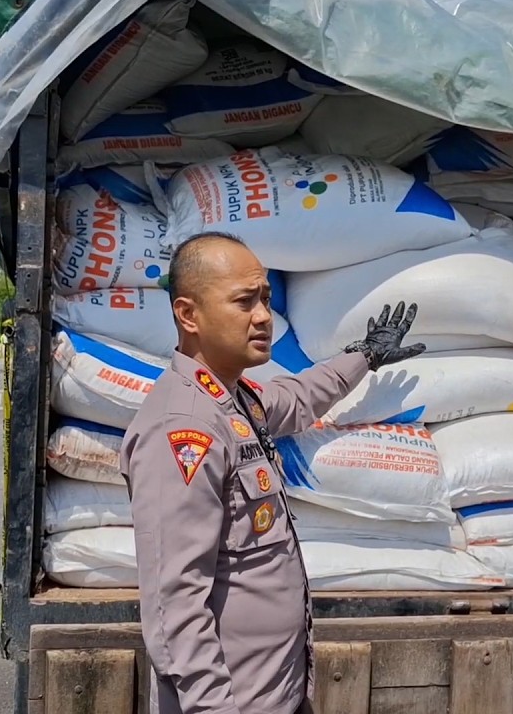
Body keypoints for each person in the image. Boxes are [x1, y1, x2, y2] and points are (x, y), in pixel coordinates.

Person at [120, 232, 426, 714]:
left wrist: (364, 355)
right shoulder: (182, 429)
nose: (263, 316)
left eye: (264, 298)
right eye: (244, 301)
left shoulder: (232, 400)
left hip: (280, 692)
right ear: (188, 315)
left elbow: (298, 399)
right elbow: (173, 605)